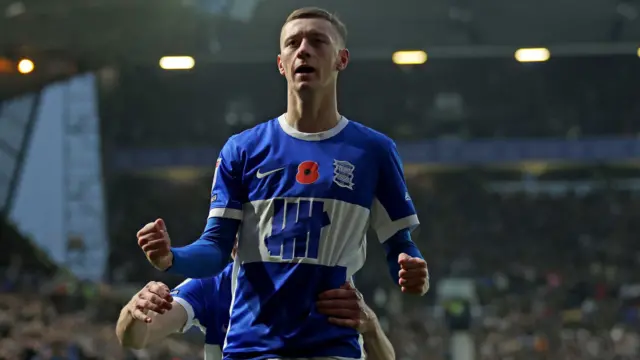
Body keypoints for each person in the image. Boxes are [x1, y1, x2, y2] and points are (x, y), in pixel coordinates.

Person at [136, 6, 429, 359]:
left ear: (342, 59)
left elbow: (398, 241)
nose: (303, 49)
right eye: (293, 43)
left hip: (331, 344)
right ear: (281, 63)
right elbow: (216, 248)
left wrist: (412, 268)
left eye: (318, 41)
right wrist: (171, 258)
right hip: (252, 347)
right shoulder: (242, 149)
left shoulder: (374, 151)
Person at [115, 266, 394, 360]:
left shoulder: (324, 287)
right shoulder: (211, 285)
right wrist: (134, 310)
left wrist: (371, 328)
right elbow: (136, 339)